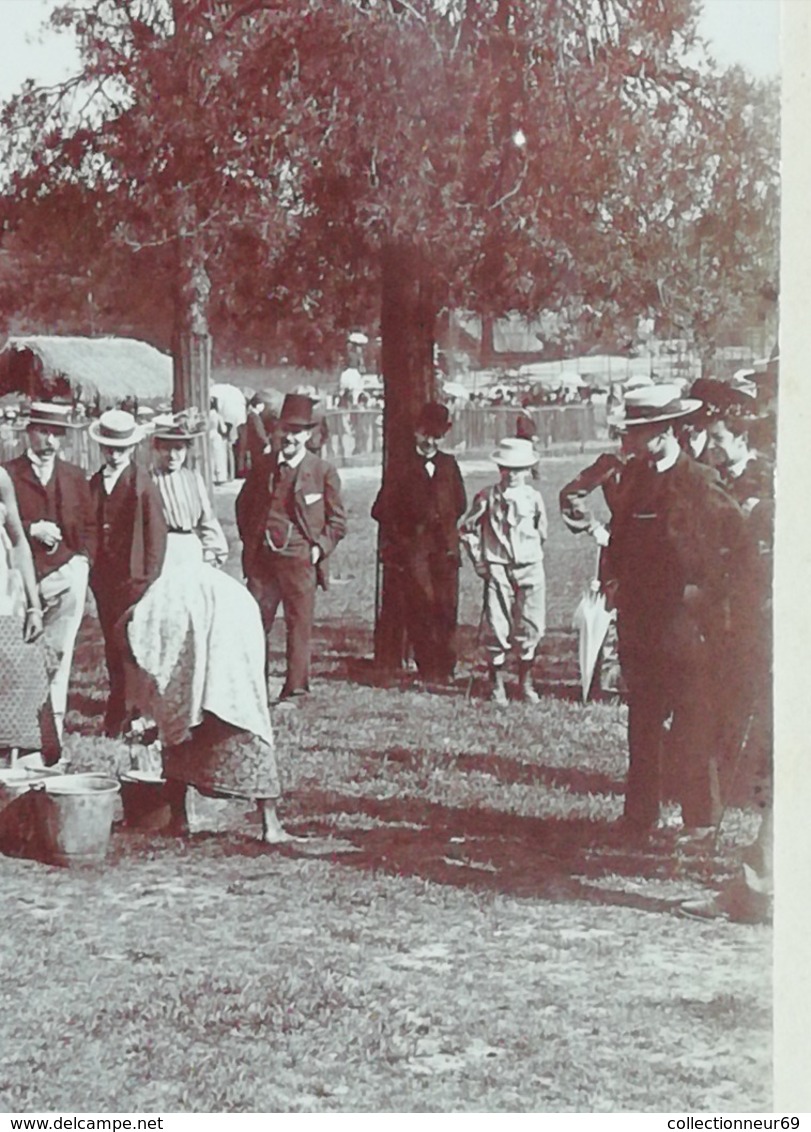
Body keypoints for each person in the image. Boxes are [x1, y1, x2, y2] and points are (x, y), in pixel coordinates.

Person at [125, 413, 295, 843]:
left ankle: (267, 816)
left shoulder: (194, 481)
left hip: (196, 568)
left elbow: (208, 525)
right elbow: (139, 539)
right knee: (179, 678)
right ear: (154, 447)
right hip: (162, 572)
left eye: (180, 447)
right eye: (166, 446)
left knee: (225, 668)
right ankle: (179, 808)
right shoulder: (142, 482)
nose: (173, 454)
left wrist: (214, 551)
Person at [603, 384, 750, 837]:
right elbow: (619, 541)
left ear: (665, 431)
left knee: (693, 722)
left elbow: (740, 550)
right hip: (640, 625)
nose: (631, 440)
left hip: (686, 629)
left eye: (640, 431)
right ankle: (640, 815)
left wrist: (708, 592)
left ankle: (700, 818)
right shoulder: (635, 480)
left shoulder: (700, 480)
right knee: (642, 722)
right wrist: (613, 582)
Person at [236, 393, 347, 704]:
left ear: (308, 435)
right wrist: (252, 542)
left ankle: (295, 690)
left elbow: (338, 522)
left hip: (300, 560)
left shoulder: (322, 471)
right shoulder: (263, 466)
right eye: (284, 429)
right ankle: (253, 688)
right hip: (263, 561)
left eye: (297, 432)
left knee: (299, 625)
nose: (289, 437)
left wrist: (318, 550)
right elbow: (243, 506)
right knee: (255, 622)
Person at [4, 401, 95, 740]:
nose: (50, 442)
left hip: (66, 575)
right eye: (43, 432)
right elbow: (7, 528)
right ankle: (17, 731)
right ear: (29, 432)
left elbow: (88, 525)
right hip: (19, 579)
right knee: (17, 654)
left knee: (59, 652)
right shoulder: (9, 473)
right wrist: (31, 529)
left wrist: (83, 561)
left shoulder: (73, 475)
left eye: (57, 434)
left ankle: (51, 733)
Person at [371, 402, 467, 684]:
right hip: (414, 548)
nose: (430, 441)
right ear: (416, 432)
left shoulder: (449, 464)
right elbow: (381, 509)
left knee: (447, 606)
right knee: (421, 605)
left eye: (437, 436)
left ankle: (447, 666)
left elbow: (459, 502)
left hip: (445, 547)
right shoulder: (401, 466)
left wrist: (445, 523)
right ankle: (427, 666)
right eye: (426, 434)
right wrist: (405, 536)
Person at [87, 410, 167, 737]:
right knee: (111, 644)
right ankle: (117, 705)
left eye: (121, 448)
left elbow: (156, 538)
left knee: (133, 646)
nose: (115, 454)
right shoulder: (93, 483)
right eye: (109, 448)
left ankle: (134, 712)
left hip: (134, 579)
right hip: (104, 579)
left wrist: (149, 580)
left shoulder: (142, 485)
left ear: (132, 448)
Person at [459, 437, 548, 704]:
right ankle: (496, 683)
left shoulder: (534, 498)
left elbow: (541, 533)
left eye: (519, 469)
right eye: (506, 468)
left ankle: (525, 681)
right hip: (498, 568)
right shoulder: (486, 497)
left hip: (530, 567)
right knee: (497, 626)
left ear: (528, 470)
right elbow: (466, 529)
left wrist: (529, 554)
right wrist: (479, 560)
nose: (512, 475)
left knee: (531, 624)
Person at [0, 467, 59, 764]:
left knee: (19, 693)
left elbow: (19, 542)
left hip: (6, 603)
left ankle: (18, 769)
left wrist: (33, 605)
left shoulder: (0, 479)